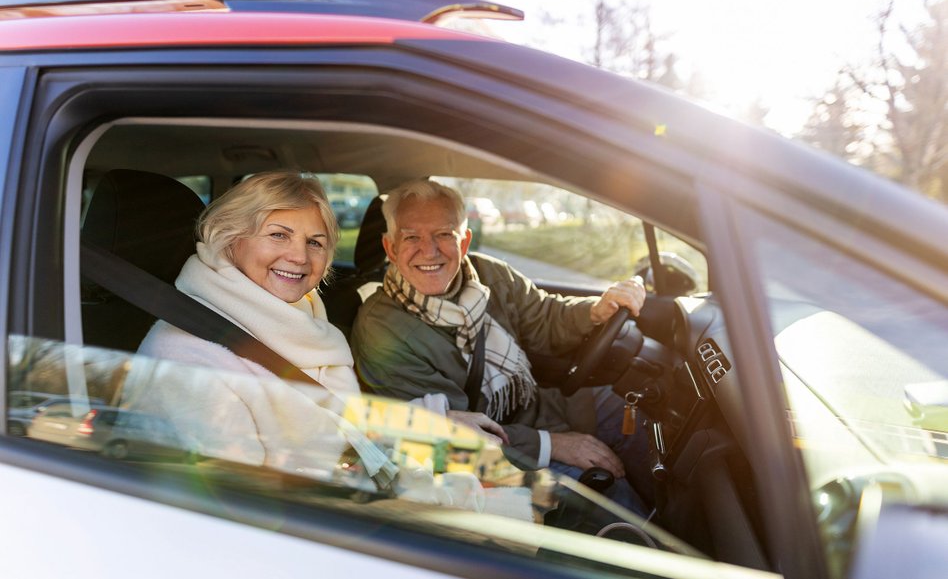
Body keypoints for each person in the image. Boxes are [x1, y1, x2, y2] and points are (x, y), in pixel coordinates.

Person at [351, 178, 654, 515]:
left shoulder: (489, 273)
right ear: (390, 248)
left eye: (443, 235)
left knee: (641, 420)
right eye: (412, 237)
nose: (430, 250)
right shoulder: (381, 329)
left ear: (464, 241)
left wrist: (596, 310)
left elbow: (546, 318)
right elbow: (454, 439)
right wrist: (554, 445)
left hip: (542, 410)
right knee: (609, 500)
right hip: (488, 462)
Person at [129, 171, 396, 485]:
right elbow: (234, 501)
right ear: (230, 238)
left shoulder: (305, 320)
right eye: (278, 235)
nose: (299, 257)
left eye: (315, 242)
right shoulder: (183, 361)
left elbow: (344, 421)